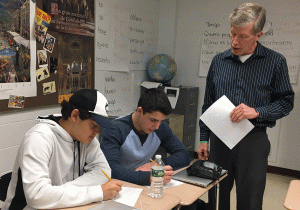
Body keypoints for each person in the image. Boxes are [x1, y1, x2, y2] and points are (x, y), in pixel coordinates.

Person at [197, 3, 295, 210]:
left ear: (258, 35)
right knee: (216, 195)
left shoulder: (275, 62)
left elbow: (286, 102)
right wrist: (204, 139)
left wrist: (257, 111)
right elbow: (208, 103)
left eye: (242, 36)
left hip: (253, 140)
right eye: (232, 34)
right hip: (220, 139)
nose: (234, 41)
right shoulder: (219, 61)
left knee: (250, 199)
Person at [3, 89, 123, 210]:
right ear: (75, 115)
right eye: (94, 125)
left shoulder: (87, 139)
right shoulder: (39, 138)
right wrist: (98, 192)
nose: (97, 132)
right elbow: (37, 196)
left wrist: (58, 193)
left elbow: (103, 171)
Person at [100, 88, 191, 186]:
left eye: (161, 121)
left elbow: (184, 155)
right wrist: (148, 177)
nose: (157, 127)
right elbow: (110, 169)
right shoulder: (115, 129)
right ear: (140, 111)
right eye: (153, 120)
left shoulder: (160, 128)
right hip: (119, 185)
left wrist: (155, 164)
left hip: (143, 185)